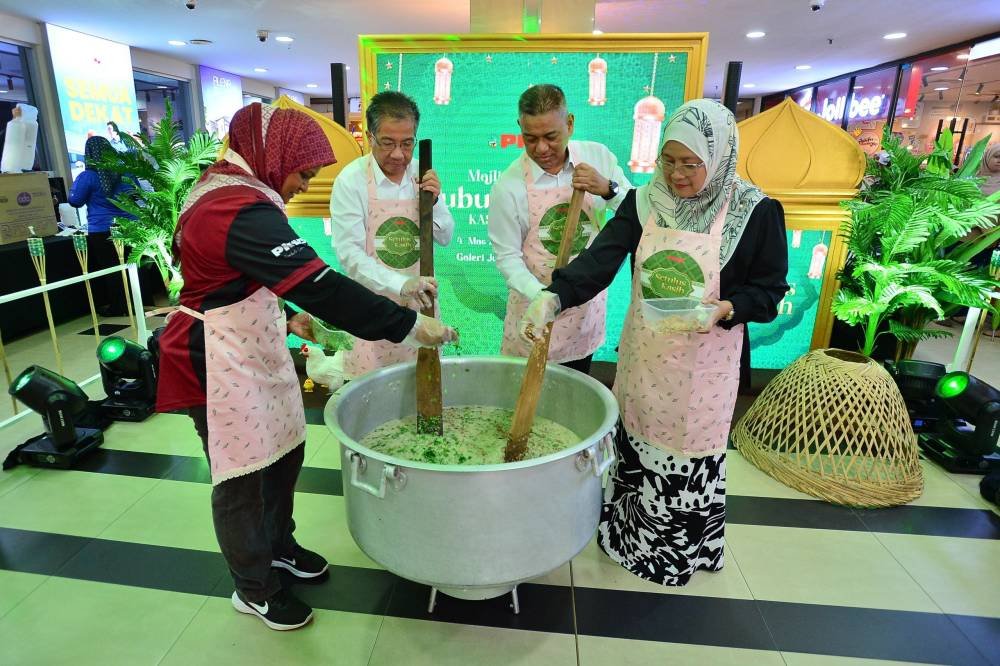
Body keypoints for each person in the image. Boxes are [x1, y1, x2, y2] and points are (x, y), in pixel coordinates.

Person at [156, 103, 457, 631]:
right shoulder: (234, 208)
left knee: (284, 449)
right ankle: (254, 588)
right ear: (276, 156)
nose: (301, 186)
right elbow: (322, 283)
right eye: (302, 174)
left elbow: (244, 274)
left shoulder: (243, 192)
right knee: (241, 475)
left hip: (255, 339)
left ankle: (277, 546)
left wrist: (288, 314)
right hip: (217, 356)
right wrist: (408, 325)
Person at [520, 99, 788, 585]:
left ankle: (673, 555)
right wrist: (552, 297)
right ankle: (625, 539)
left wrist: (726, 308)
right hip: (645, 356)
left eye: (691, 163)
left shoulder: (756, 211)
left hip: (706, 364)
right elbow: (598, 262)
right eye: (669, 160)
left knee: (686, 456)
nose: (678, 174)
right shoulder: (644, 202)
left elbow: (769, 290)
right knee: (636, 445)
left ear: (721, 155)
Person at [489, 84, 631, 375]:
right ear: (520, 127)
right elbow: (507, 258)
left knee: (576, 402)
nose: (541, 149)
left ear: (569, 123)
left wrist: (607, 189)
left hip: (583, 314)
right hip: (534, 312)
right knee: (526, 402)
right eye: (530, 138)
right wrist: (544, 298)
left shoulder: (598, 157)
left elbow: (633, 212)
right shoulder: (509, 185)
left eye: (550, 137)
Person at [329, 91, 454, 377]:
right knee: (369, 399)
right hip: (370, 308)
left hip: (419, 308)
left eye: (407, 143)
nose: (399, 154)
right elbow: (350, 255)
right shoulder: (351, 181)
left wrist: (434, 201)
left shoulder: (421, 176)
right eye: (388, 143)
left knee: (420, 390)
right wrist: (400, 283)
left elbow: (446, 237)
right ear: (369, 135)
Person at [68, 136, 135, 314]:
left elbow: (74, 200)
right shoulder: (124, 171)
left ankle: (119, 306)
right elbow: (136, 194)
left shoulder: (88, 176)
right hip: (129, 227)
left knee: (112, 270)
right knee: (133, 267)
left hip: (102, 229)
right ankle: (138, 303)